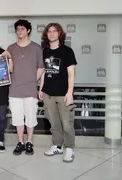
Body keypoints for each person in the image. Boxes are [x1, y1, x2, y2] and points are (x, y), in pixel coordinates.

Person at [39, 23, 77, 163]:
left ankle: (69, 148)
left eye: (55, 31)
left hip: (63, 94)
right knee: (53, 122)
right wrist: (41, 88)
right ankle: (57, 145)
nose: (52, 33)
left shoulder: (67, 51)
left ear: (60, 34)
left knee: (67, 123)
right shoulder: (45, 52)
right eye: (49, 31)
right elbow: (44, 71)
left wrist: (70, 93)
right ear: (46, 34)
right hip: (48, 93)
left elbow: (71, 74)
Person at [7, 19, 44, 155]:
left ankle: (29, 142)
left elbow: (40, 68)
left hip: (30, 89)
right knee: (17, 118)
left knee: (30, 117)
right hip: (14, 89)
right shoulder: (11, 48)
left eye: (22, 29)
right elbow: (10, 70)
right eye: (18, 29)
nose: (20, 31)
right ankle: (20, 142)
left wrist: (31, 80)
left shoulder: (36, 48)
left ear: (28, 30)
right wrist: (8, 58)